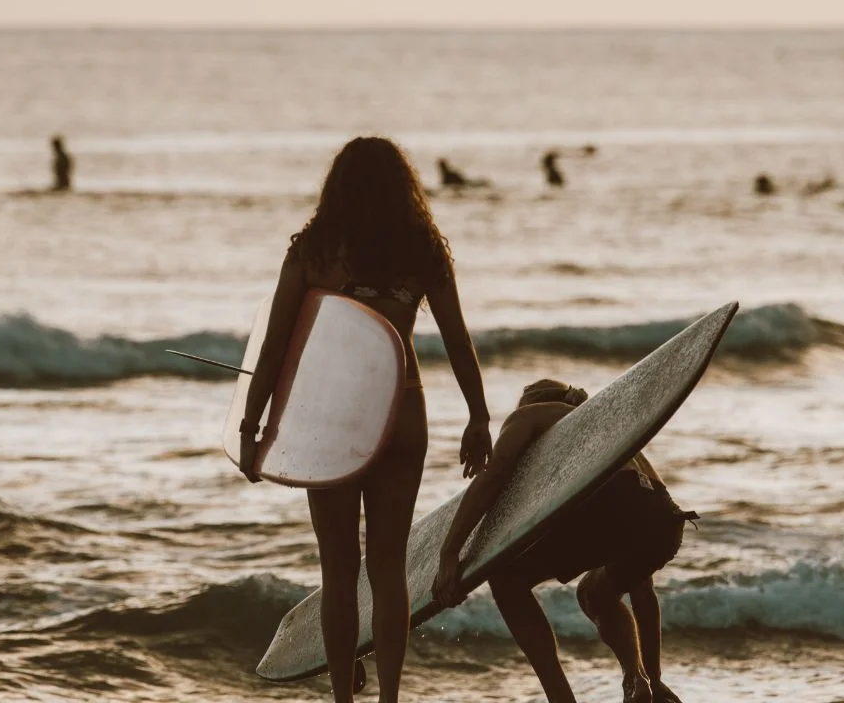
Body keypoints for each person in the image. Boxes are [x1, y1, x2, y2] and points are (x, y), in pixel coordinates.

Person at [239, 137, 491, 703]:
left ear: (338, 187)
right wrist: (478, 416)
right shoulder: (423, 249)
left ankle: (343, 700)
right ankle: (390, 698)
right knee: (387, 568)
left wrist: (250, 429)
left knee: (338, 571)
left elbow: (275, 347)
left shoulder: (314, 250)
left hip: (332, 417)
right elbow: (458, 340)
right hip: (402, 411)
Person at [433, 379, 695, 703]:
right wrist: (656, 678)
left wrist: (449, 552)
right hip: (665, 521)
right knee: (595, 593)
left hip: (614, 502)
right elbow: (644, 592)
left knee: (505, 577)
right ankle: (638, 680)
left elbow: (496, 473)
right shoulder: (613, 432)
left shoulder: (530, 416)